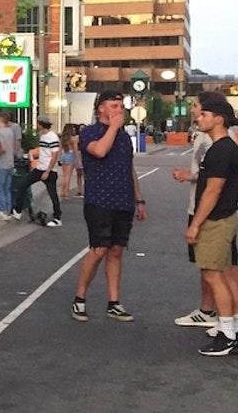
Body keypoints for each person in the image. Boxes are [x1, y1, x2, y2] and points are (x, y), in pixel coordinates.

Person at [72, 91, 147, 323]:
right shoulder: (89, 133)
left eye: (120, 107)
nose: (119, 110)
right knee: (99, 249)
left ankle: (114, 302)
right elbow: (99, 151)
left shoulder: (124, 137)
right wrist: (113, 128)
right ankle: (80, 298)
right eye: (113, 106)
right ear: (100, 109)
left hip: (122, 199)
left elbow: (129, 169)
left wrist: (139, 199)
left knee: (116, 250)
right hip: (99, 200)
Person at [173, 93, 238, 332]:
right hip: (222, 216)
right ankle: (237, 328)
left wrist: (195, 224)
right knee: (221, 271)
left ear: (218, 119)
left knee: (215, 274)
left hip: (217, 218)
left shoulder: (221, 149)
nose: (198, 116)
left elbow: (213, 191)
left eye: (203, 112)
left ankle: (228, 333)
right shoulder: (221, 147)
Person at [28, 115, 63, 226]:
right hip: (40, 167)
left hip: (48, 170)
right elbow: (45, 152)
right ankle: (24, 209)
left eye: (37, 123)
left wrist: (47, 171)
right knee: (25, 183)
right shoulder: (42, 136)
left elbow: (54, 155)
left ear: (40, 124)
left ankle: (57, 217)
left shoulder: (52, 137)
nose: (36, 125)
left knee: (52, 194)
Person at [0, 112, 17, 220]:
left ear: (0, 119)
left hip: (2, 163)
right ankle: (8, 209)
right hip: (10, 162)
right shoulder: (10, 131)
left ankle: (2, 211)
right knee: (7, 188)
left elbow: (2, 148)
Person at [59, 123, 82, 198]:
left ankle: (62, 191)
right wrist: (78, 159)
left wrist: (59, 158)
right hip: (71, 155)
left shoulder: (62, 138)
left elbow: (60, 149)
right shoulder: (73, 138)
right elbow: (75, 150)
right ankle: (66, 193)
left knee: (64, 175)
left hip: (64, 155)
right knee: (68, 176)